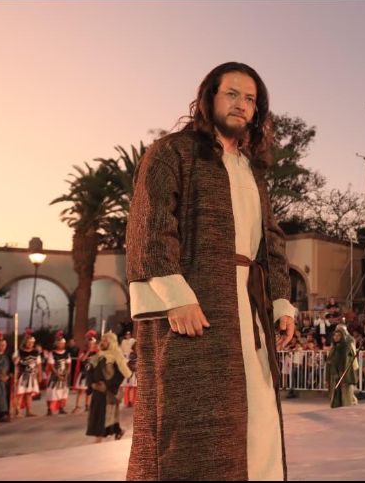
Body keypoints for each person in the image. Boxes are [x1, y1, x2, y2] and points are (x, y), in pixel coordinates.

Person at [125, 62, 295, 480]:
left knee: (257, 418)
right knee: (192, 425)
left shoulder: (253, 170)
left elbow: (270, 243)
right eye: (232, 94)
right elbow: (150, 223)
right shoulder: (173, 152)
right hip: (196, 304)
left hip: (249, 310)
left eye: (251, 99)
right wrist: (175, 296)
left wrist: (280, 302)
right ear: (210, 98)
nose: (242, 105)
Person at [86, 332, 131, 442]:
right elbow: (89, 371)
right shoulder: (97, 356)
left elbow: (120, 374)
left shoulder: (117, 356)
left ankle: (99, 440)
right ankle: (117, 431)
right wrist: (91, 384)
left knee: (106, 415)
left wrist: (107, 386)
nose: (103, 342)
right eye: (102, 339)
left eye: (106, 340)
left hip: (108, 392)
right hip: (97, 390)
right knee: (98, 414)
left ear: (111, 342)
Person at [327, 325, 358, 408]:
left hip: (345, 371)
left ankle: (351, 405)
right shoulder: (335, 345)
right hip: (336, 372)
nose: (336, 336)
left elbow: (349, 358)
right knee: (339, 393)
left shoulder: (348, 343)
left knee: (347, 394)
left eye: (339, 332)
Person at [15, 331, 41, 417]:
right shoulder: (19, 352)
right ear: (25, 342)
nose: (30, 344)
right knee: (20, 393)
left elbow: (38, 365)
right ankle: (18, 411)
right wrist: (16, 376)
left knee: (29, 393)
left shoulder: (36, 352)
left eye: (31, 342)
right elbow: (16, 365)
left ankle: (29, 411)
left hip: (32, 376)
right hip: (22, 375)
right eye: (28, 342)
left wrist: (39, 375)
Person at [71, 330, 98, 414]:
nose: (91, 345)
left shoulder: (96, 353)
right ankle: (77, 406)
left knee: (89, 391)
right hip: (83, 374)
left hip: (91, 375)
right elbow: (82, 359)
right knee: (81, 391)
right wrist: (89, 352)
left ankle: (87, 406)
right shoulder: (83, 352)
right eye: (90, 344)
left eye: (92, 344)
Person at [46, 331, 71, 416]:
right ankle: (49, 409)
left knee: (63, 391)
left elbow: (68, 364)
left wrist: (67, 373)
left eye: (63, 344)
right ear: (57, 344)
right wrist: (57, 374)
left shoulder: (66, 353)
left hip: (64, 374)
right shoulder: (52, 353)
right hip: (54, 375)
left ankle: (61, 408)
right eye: (60, 344)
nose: (62, 345)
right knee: (52, 391)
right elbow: (51, 366)